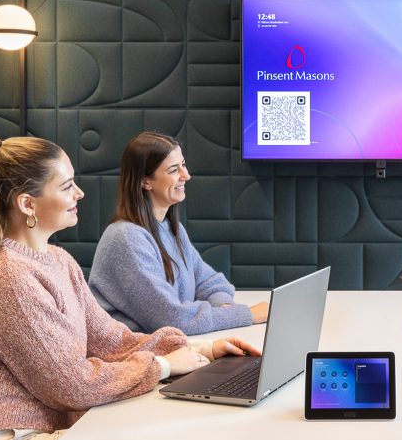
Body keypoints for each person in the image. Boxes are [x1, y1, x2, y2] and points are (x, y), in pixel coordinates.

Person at [0, 134, 259, 440]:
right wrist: (163, 366)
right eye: (67, 186)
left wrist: (203, 348)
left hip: (47, 431)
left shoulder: (58, 261)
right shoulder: (8, 277)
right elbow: (71, 385)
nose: (80, 194)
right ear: (27, 204)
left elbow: (114, 340)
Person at [89, 131, 268, 335]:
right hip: (133, 358)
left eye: (183, 164)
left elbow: (209, 281)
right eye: (174, 170)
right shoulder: (126, 238)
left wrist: (224, 308)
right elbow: (173, 319)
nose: (186, 175)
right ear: (145, 182)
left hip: (166, 349)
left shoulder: (171, 228)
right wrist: (248, 315)